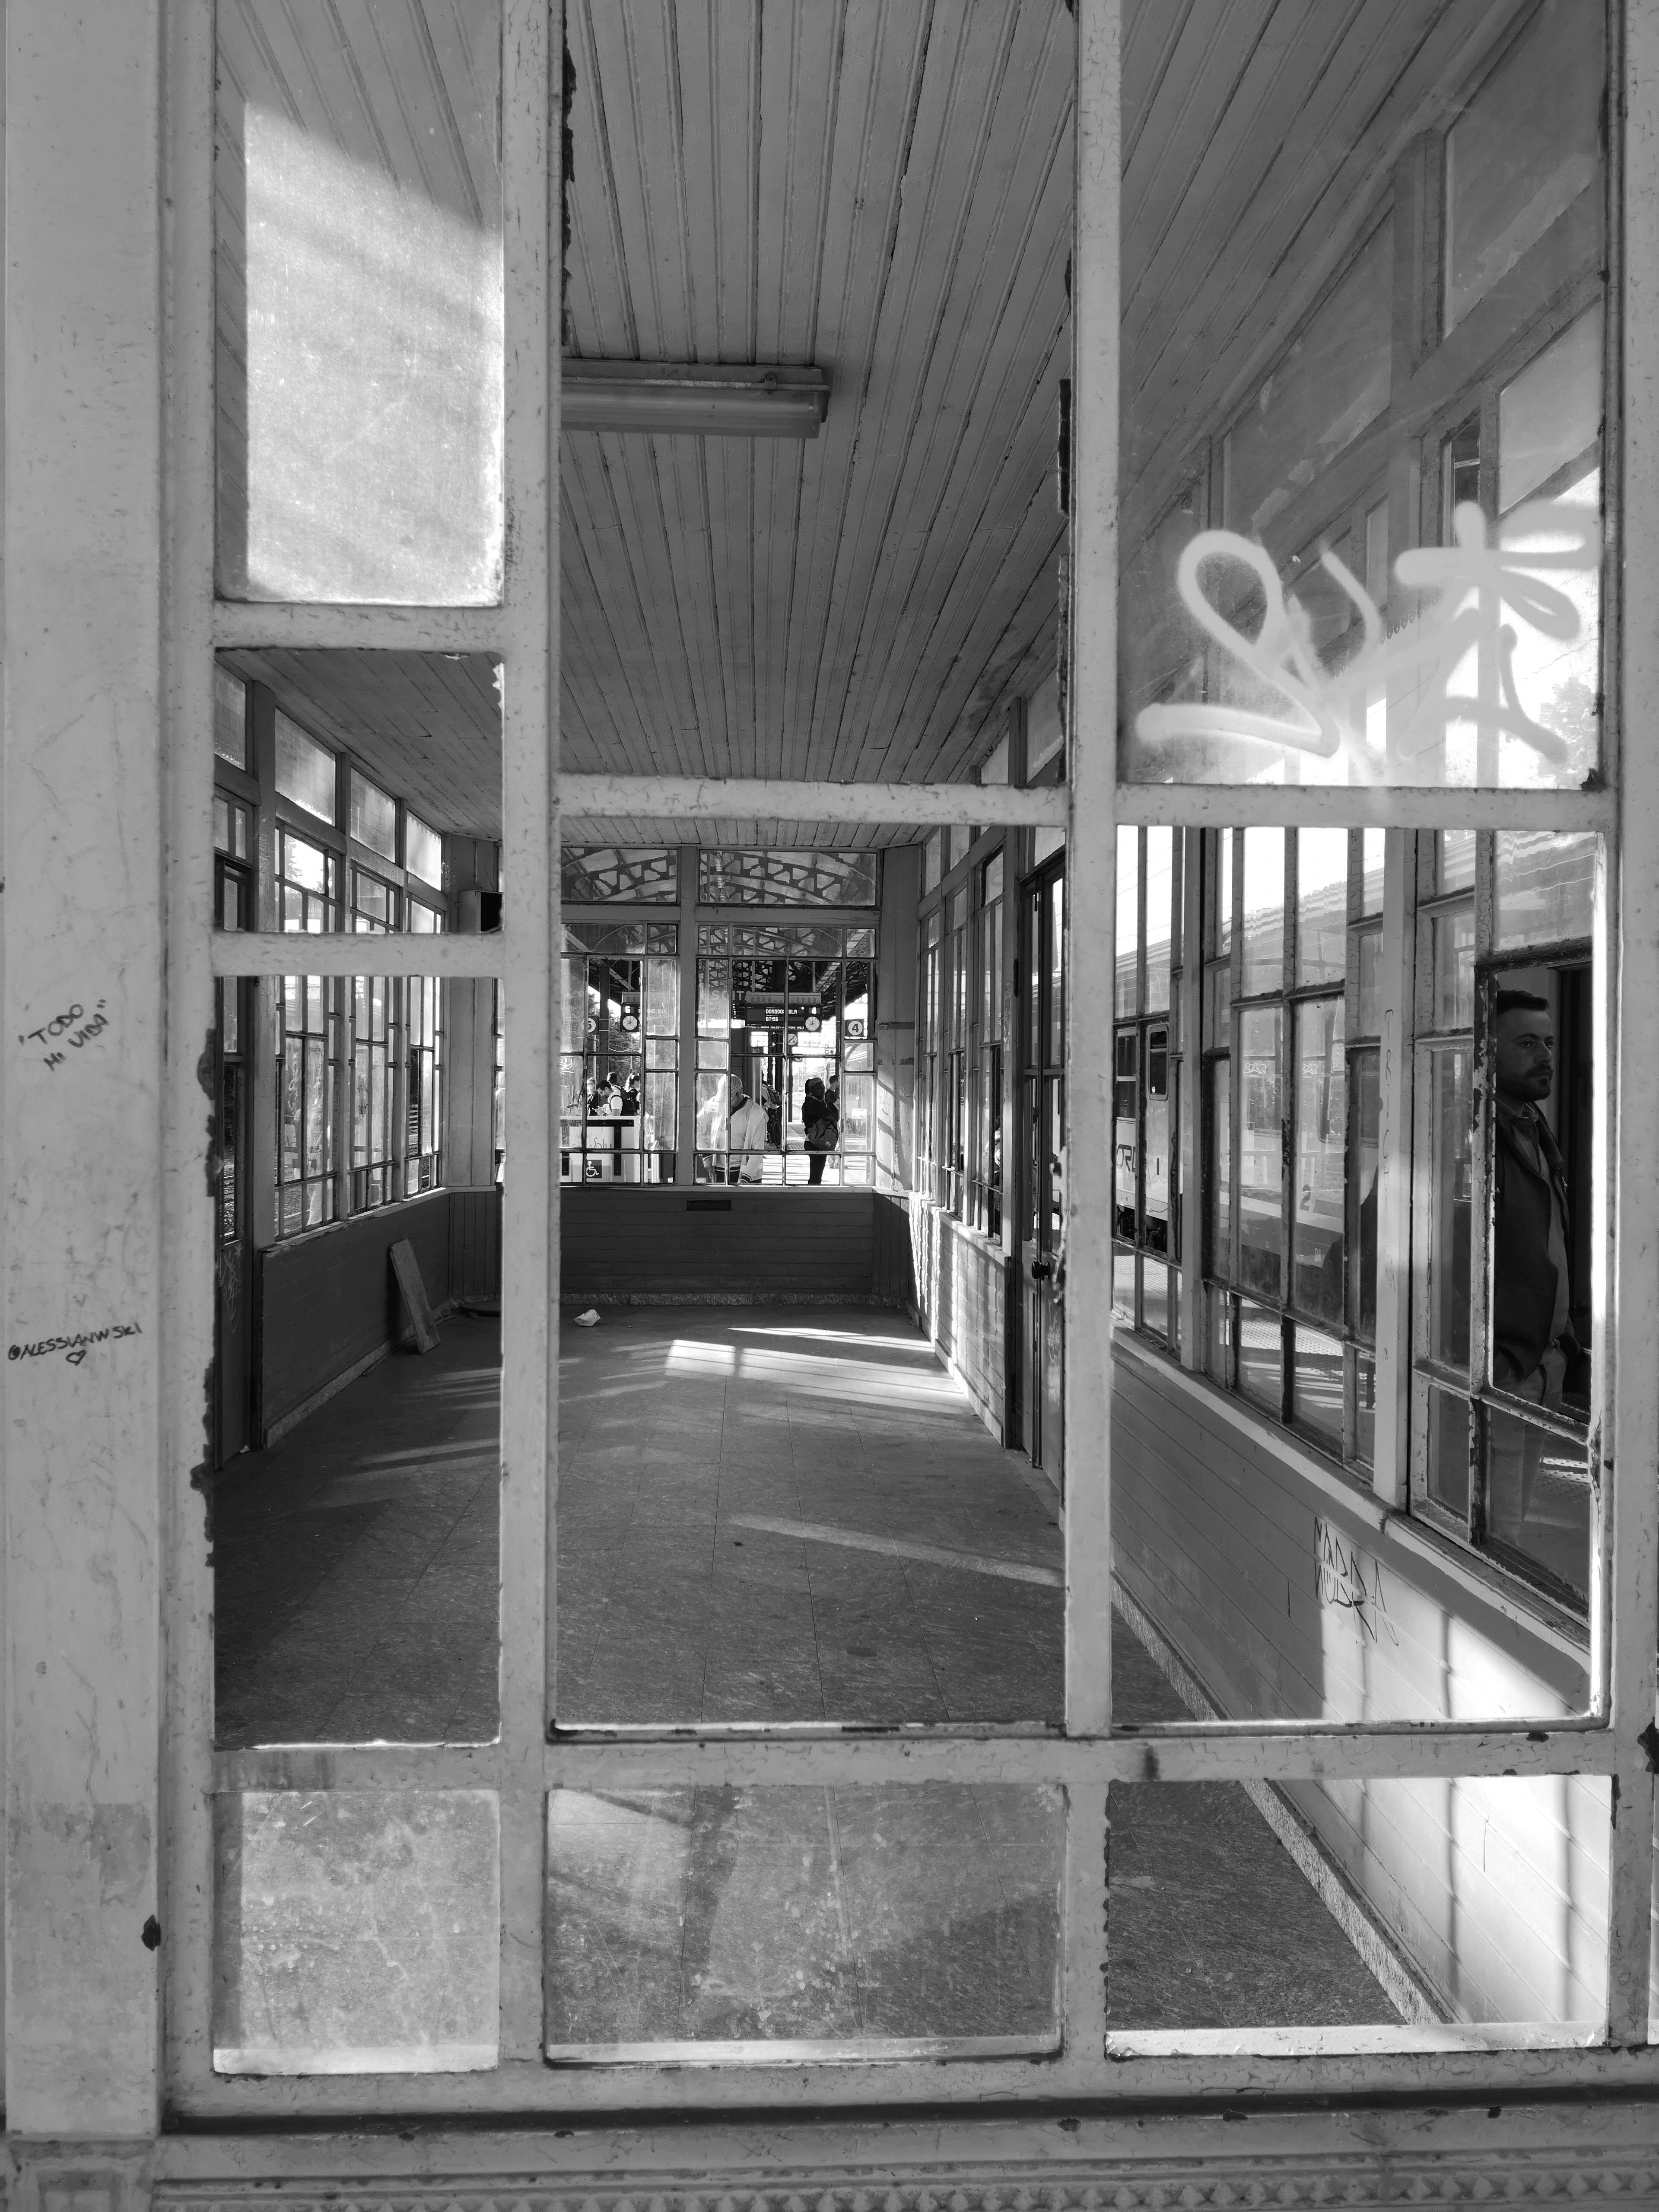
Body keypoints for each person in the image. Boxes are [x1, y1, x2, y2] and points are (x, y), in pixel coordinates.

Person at [1487, 986, 1587, 1561]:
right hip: (1503, 1366)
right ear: (1488, 1050)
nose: (1545, 1056)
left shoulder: (1533, 1127)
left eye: (1548, 1042)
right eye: (1526, 1043)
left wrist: (1564, 1344)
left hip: (1542, 1361)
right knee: (1495, 1534)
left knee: (1513, 1527)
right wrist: (1490, 1355)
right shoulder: (1470, 1134)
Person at [728, 1086, 768, 1185]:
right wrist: (706, 1156)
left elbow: (758, 1148)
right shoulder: (719, 1105)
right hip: (721, 1169)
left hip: (747, 1175)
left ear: (739, 1093)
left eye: (731, 1099)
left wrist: (746, 1177)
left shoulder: (756, 1113)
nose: (727, 1102)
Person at [801, 1074, 835, 1185]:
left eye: (823, 1089)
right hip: (817, 1142)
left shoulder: (809, 1103)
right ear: (811, 1091)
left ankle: (813, 1190)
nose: (823, 1091)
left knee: (816, 1173)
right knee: (816, 1175)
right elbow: (832, 1116)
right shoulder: (815, 1105)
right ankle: (813, 1192)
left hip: (813, 1141)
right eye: (819, 1089)